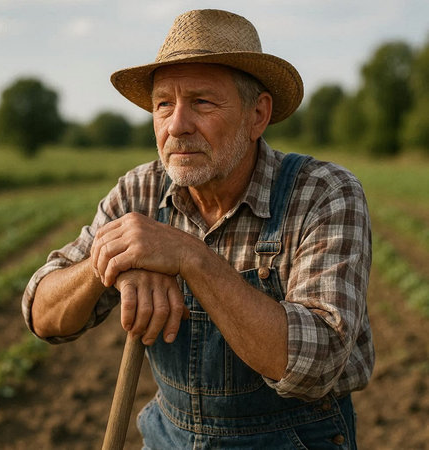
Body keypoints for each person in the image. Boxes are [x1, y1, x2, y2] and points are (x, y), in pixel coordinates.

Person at [23, 9, 374, 449]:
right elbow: (42, 315)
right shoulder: (140, 192)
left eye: (202, 102)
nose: (177, 125)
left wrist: (188, 257)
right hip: (169, 438)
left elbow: (316, 364)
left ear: (257, 115)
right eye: (163, 104)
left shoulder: (323, 193)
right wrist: (110, 262)